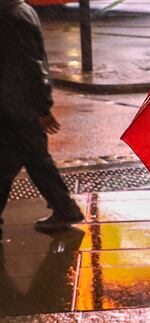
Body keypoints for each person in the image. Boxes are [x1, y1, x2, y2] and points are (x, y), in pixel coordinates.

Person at [0, 0, 84, 233]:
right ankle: (65, 208)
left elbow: (31, 66)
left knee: (22, 161)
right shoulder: (18, 11)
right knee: (29, 160)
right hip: (15, 106)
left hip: (17, 108)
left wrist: (42, 108)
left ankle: (65, 207)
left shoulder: (12, 16)